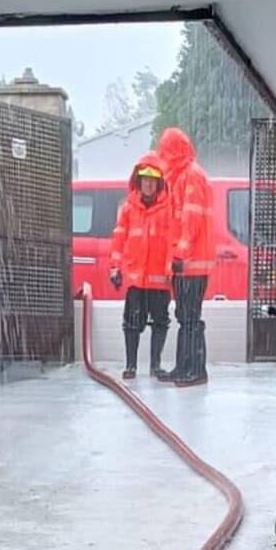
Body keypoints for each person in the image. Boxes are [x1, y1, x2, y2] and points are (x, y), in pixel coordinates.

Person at [157, 128, 214, 388]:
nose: (164, 156)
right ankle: (185, 367)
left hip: (191, 263)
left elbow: (191, 219)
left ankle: (195, 370)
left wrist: (180, 253)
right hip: (185, 263)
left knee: (190, 318)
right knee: (186, 317)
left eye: (167, 151)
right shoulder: (181, 176)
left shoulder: (190, 176)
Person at [110, 153, 175, 380]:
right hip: (136, 281)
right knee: (131, 323)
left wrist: (169, 270)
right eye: (144, 179)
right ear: (138, 181)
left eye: (152, 179)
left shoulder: (168, 209)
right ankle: (131, 366)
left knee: (160, 322)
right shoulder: (128, 208)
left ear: (159, 182)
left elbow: (172, 242)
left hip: (159, 280)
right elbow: (119, 239)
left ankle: (155, 366)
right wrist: (114, 267)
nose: (148, 184)